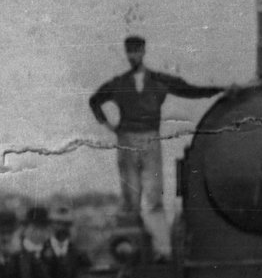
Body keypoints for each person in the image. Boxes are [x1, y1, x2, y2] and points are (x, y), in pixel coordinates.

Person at [88, 35, 226, 229]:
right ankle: (133, 240)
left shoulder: (159, 80)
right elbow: (94, 101)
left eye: (136, 51)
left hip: (151, 138)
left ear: (143, 52)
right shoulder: (118, 83)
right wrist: (110, 127)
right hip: (126, 140)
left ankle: (159, 242)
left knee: (154, 193)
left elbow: (190, 90)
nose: (133, 56)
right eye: (129, 52)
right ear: (126, 54)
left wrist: (221, 90)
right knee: (130, 195)